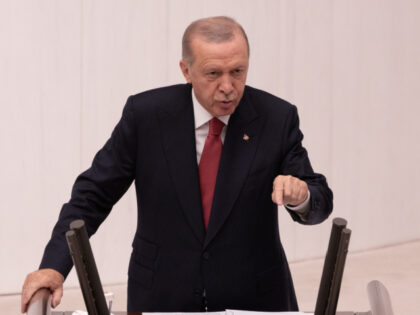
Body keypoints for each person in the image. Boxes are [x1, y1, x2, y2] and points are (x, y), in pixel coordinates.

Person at [21, 16, 333, 313]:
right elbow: (92, 195)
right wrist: (54, 265)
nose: (228, 86)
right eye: (213, 74)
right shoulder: (146, 117)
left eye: (238, 71)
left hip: (255, 298)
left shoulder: (276, 118)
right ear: (186, 70)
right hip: (163, 295)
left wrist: (302, 196)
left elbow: (319, 201)